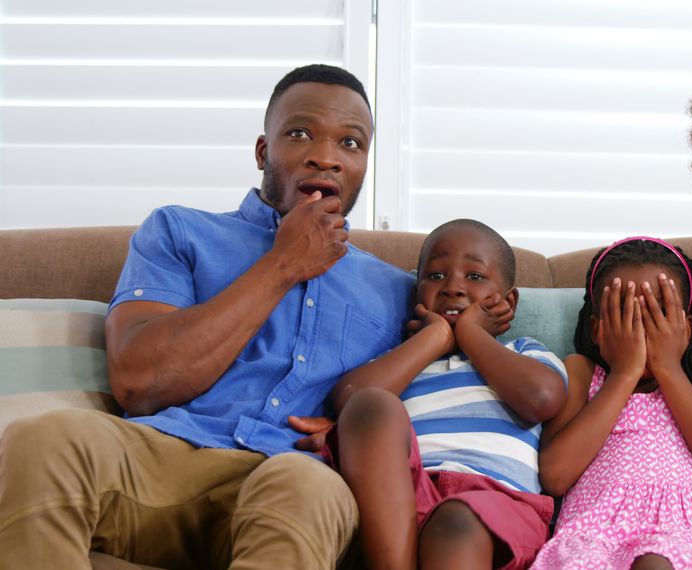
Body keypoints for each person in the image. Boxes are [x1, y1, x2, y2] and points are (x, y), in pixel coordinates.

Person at [0, 64, 414, 569]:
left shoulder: (399, 290)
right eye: (300, 133)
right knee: (42, 439)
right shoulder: (178, 231)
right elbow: (139, 379)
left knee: (305, 487)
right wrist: (283, 264)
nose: (325, 156)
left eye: (350, 144)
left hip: (290, 472)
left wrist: (354, 430)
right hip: (157, 455)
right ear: (263, 151)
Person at [318, 218, 568, 570]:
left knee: (457, 520)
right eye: (436, 276)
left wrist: (470, 333)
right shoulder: (401, 362)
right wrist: (434, 339)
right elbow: (348, 401)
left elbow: (541, 398)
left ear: (509, 301)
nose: (453, 287)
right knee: (372, 403)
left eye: (475, 277)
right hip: (400, 502)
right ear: (416, 291)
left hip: (497, 504)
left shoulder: (525, 352)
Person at [531, 237, 692, 570]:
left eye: (659, 314)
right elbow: (555, 476)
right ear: (597, 329)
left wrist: (668, 368)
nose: (640, 329)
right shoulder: (582, 373)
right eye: (624, 314)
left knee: (654, 561)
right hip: (594, 537)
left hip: (688, 540)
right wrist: (624, 373)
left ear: (686, 328)